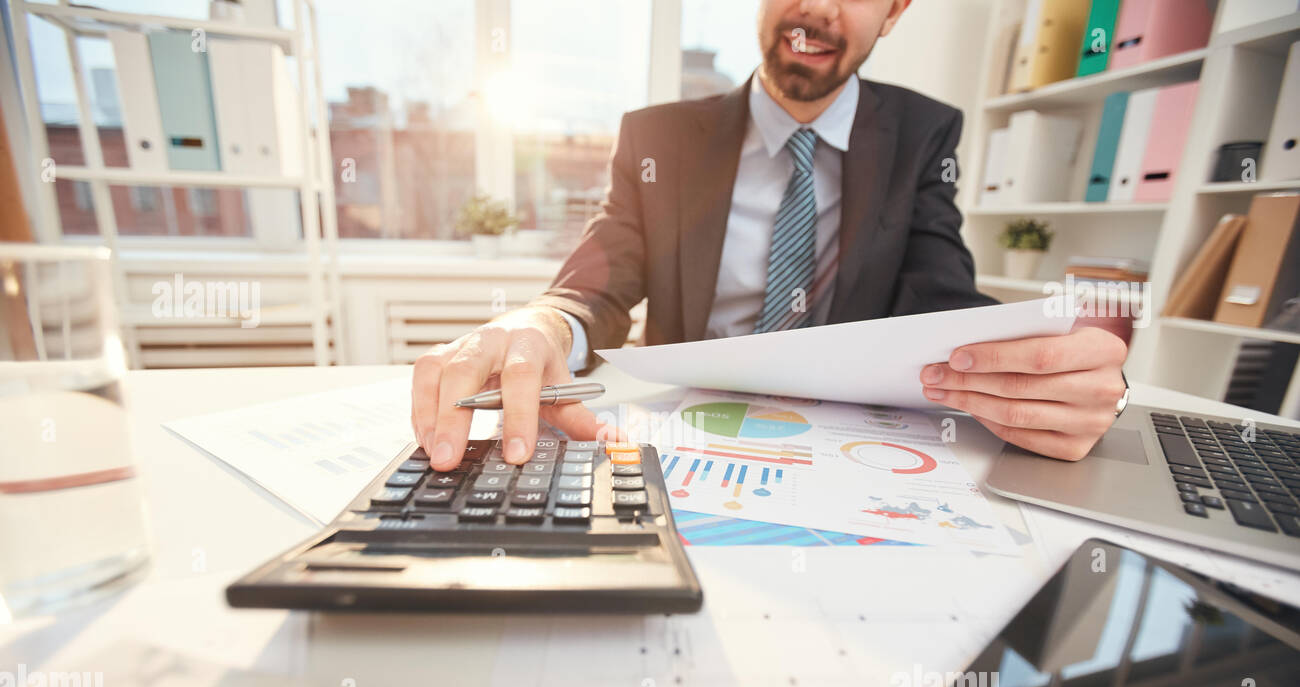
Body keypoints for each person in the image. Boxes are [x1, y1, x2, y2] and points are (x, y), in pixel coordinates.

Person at [411, 0, 1128, 471]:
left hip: (851, 451)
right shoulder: (658, 138)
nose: (817, 9)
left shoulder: (922, 135)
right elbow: (595, 283)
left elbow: (941, 301)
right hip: (676, 441)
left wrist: (1048, 376)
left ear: (895, 11)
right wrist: (536, 325)